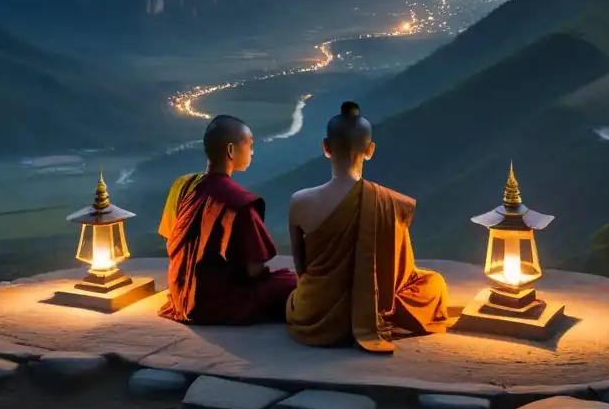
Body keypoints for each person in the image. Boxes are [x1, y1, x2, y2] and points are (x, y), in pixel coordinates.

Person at [286, 101, 449, 352]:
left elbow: (302, 268)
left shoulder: (299, 202)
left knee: (293, 292)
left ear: (326, 148)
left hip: (313, 313)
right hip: (370, 307)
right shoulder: (390, 203)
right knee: (434, 283)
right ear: (370, 150)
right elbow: (402, 274)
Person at [158, 114, 296, 325]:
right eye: (249, 145)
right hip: (214, 303)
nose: (252, 151)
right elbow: (254, 270)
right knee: (291, 282)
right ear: (231, 150)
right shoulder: (238, 201)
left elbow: (170, 239)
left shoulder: (183, 186)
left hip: (180, 295)